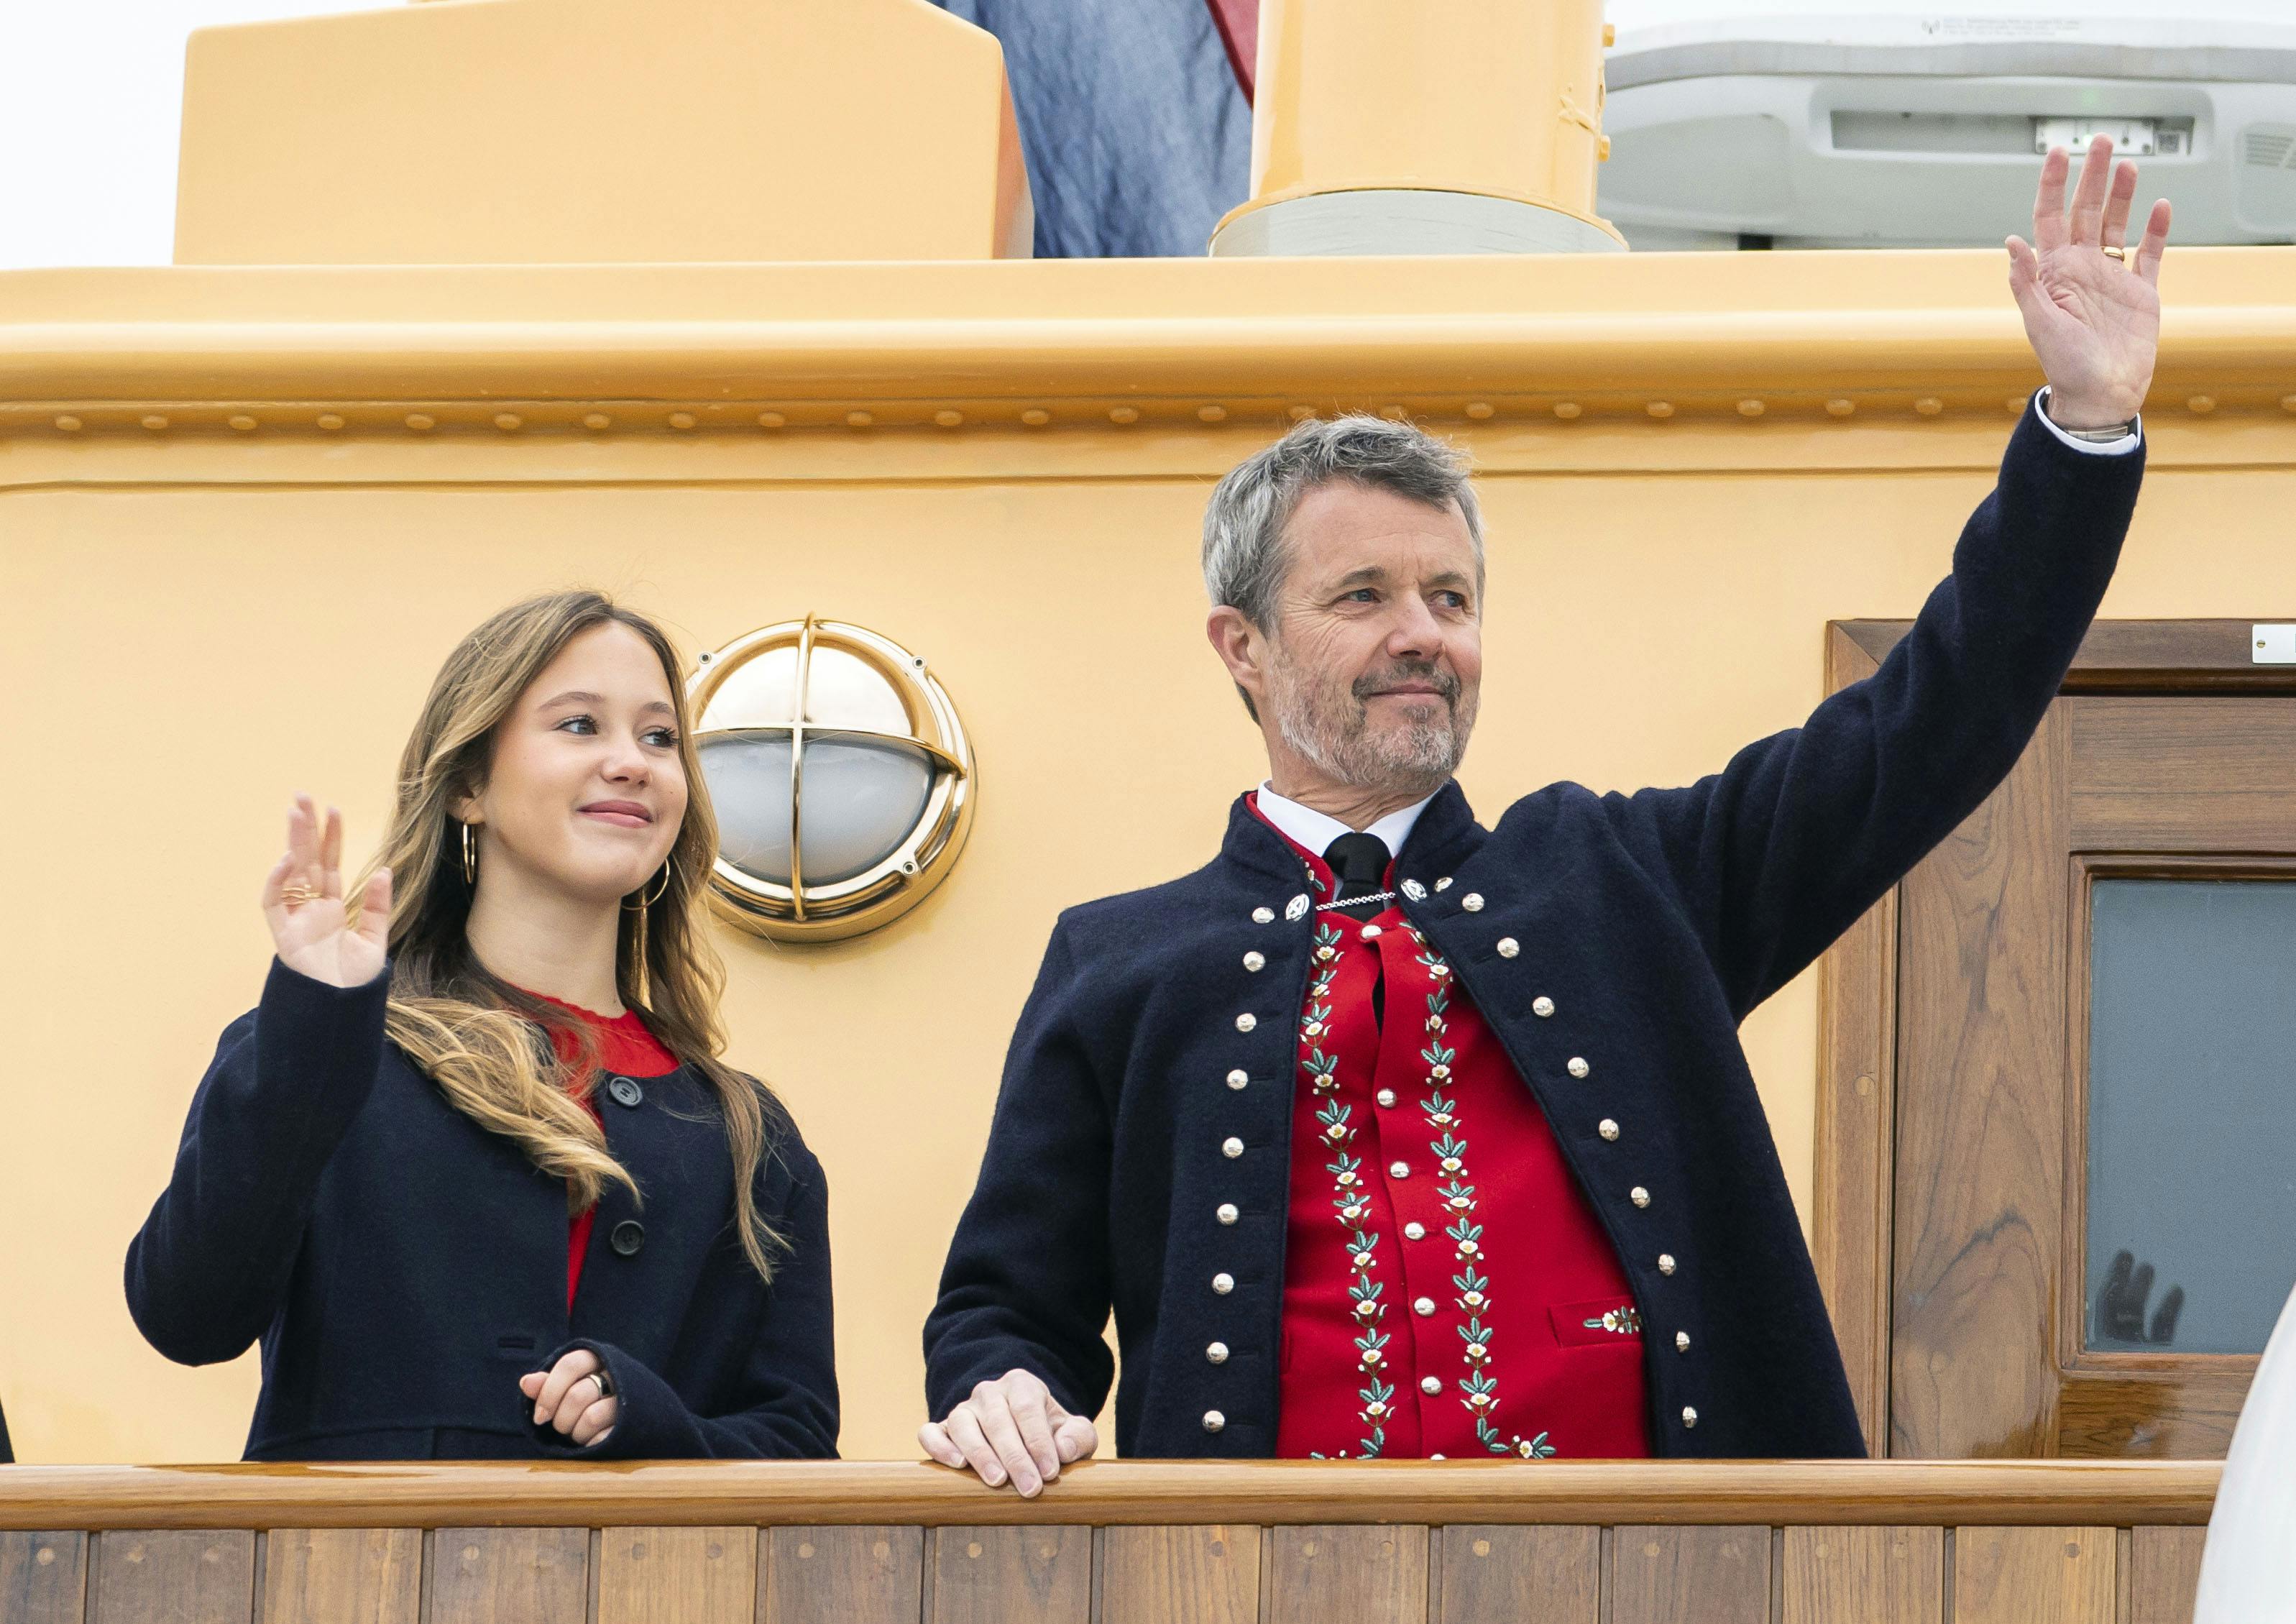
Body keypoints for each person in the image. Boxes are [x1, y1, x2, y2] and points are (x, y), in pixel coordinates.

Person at [921, 139, 2171, 1490]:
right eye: (1362, 596)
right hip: (1265, 1575)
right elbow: (1006, 1309)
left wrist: (2082, 427)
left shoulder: (1623, 878)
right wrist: (1003, 1388)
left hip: (1647, 1571)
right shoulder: (1116, 960)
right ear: (1243, 645)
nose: (1422, 633)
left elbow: (1928, 724)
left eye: (1450, 598)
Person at [127, 592, 837, 1460]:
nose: (631, 763)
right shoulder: (333, 1049)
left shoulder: (749, 1135)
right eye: (579, 725)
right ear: (468, 785)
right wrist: (312, 1025)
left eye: (659, 738)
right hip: (356, 1553)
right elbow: (187, 1317)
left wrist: (647, 1419)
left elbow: (798, 1444)